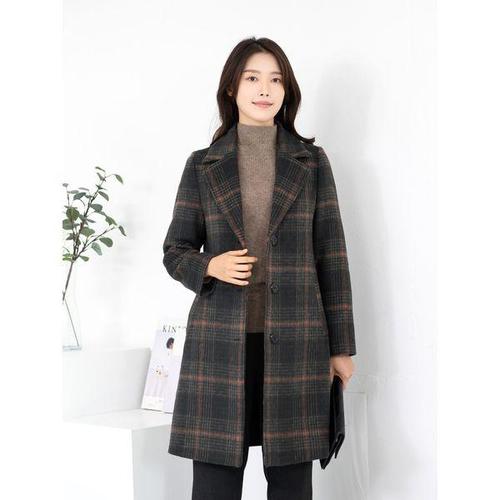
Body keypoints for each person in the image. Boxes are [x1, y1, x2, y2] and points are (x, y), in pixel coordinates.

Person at [162, 36, 356, 500]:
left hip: (296, 342)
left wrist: (342, 347)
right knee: (214, 486)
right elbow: (175, 250)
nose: (265, 89)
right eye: (252, 78)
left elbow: (332, 255)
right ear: (232, 87)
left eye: (275, 80)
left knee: (292, 485)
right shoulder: (202, 165)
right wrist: (210, 265)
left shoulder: (311, 162)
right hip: (219, 344)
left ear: (287, 90)